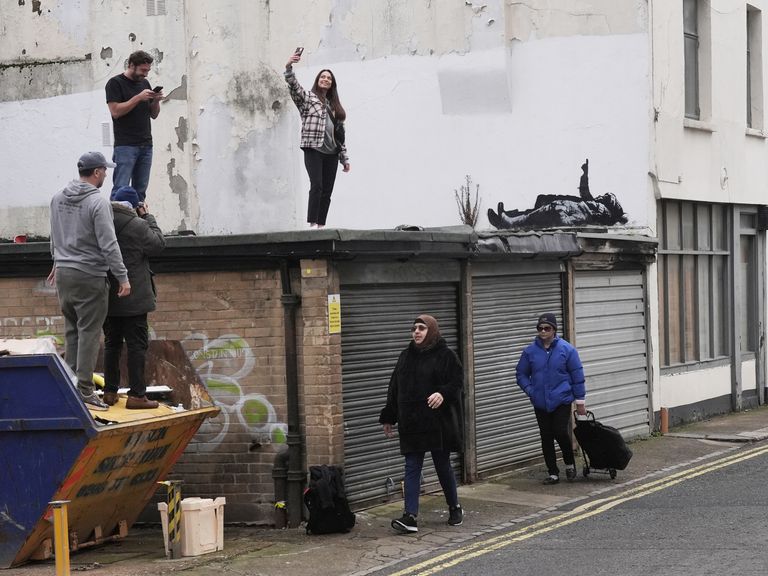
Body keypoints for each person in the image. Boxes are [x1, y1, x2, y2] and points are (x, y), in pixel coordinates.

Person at [48, 151, 131, 411]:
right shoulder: (98, 202)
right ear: (96, 172)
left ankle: (69, 386)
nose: (106, 174)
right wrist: (122, 276)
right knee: (89, 333)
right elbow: (108, 243)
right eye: (104, 170)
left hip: (64, 273)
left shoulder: (58, 198)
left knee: (72, 330)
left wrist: (56, 262)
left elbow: (55, 235)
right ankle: (84, 389)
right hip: (89, 275)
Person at [379, 315, 464, 533]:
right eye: (414, 328)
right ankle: (410, 517)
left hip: (438, 422)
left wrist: (442, 393)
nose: (416, 332)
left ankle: (454, 507)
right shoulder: (405, 357)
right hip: (412, 422)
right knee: (411, 467)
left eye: (421, 328)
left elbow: (457, 383)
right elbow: (394, 387)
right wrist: (389, 416)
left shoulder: (446, 355)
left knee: (442, 465)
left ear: (432, 331)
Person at [102, 186, 166, 410]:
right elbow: (158, 244)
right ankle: (137, 395)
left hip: (108, 296)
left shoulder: (102, 222)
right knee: (137, 346)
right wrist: (148, 216)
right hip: (134, 298)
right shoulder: (138, 225)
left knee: (112, 344)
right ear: (136, 205)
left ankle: (109, 392)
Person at [516, 313, 587, 485]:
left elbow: (577, 375)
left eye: (547, 328)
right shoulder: (530, 351)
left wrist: (580, 402)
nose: (543, 331)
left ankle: (569, 464)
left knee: (560, 431)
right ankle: (553, 472)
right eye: (540, 328)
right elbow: (521, 374)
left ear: (554, 330)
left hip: (561, 399)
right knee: (546, 436)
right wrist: (530, 390)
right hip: (540, 401)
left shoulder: (567, 350)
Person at [284, 49, 350, 228]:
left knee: (327, 191)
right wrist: (289, 66)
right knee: (317, 185)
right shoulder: (307, 98)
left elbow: (340, 136)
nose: (326, 79)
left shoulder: (335, 106)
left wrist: (344, 159)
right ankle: (312, 224)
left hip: (331, 153)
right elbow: (293, 86)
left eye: (329, 78)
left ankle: (321, 225)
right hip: (313, 149)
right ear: (318, 80)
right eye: (323, 77)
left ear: (332, 84)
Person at [105, 50, 164, 202]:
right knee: (120, 190)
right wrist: (138, 97)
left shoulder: (144, 84)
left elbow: (154, 115)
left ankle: (139, 224)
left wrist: (156, 101)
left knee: (140, 193)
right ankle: (118, 224)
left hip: (146, 145)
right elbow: (115, 112)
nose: (145, 74)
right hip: (125, 145)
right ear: (131, 65)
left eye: (148, 70)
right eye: (143, 70)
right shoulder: (115, 83)